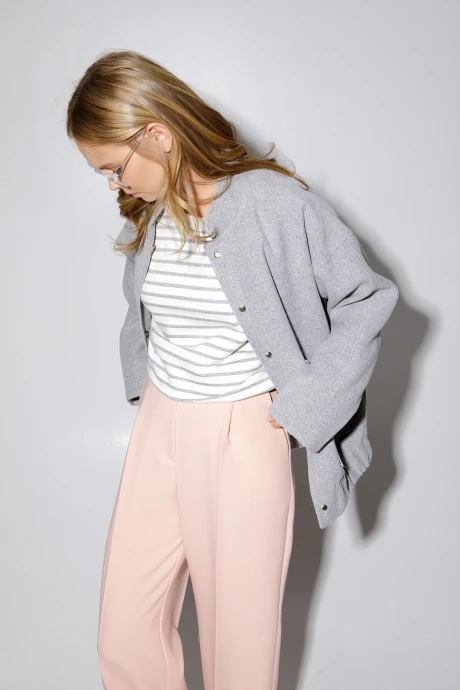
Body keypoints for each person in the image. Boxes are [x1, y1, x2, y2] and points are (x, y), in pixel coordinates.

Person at [66, 49, 399, 690]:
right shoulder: (153, 208)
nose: (113, 185)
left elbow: (368, 298)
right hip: (161, 423)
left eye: (114, 168)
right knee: (125, 630)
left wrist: (305, 407)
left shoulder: (273, 204)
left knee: (237, 640)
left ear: (158, 134)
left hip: (243, 431)